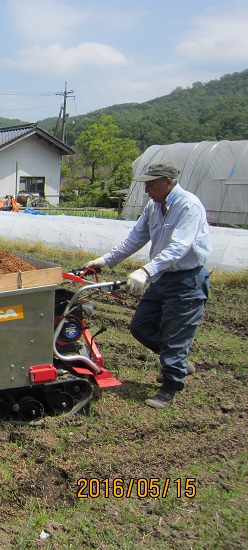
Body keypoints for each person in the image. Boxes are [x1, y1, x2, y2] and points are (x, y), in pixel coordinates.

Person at [85, 162, 211, 409]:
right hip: (162, 278)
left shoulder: (189, 206)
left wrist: (144, 271)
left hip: (187, 280)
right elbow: (136, 238)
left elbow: (179, 247)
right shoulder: (153, 207)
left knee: (175, 336)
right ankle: (177, 360)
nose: (146, 190)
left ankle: (170, 387)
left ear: (168, 182)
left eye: (151, 185)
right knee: (140, 326)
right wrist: (104, 261)